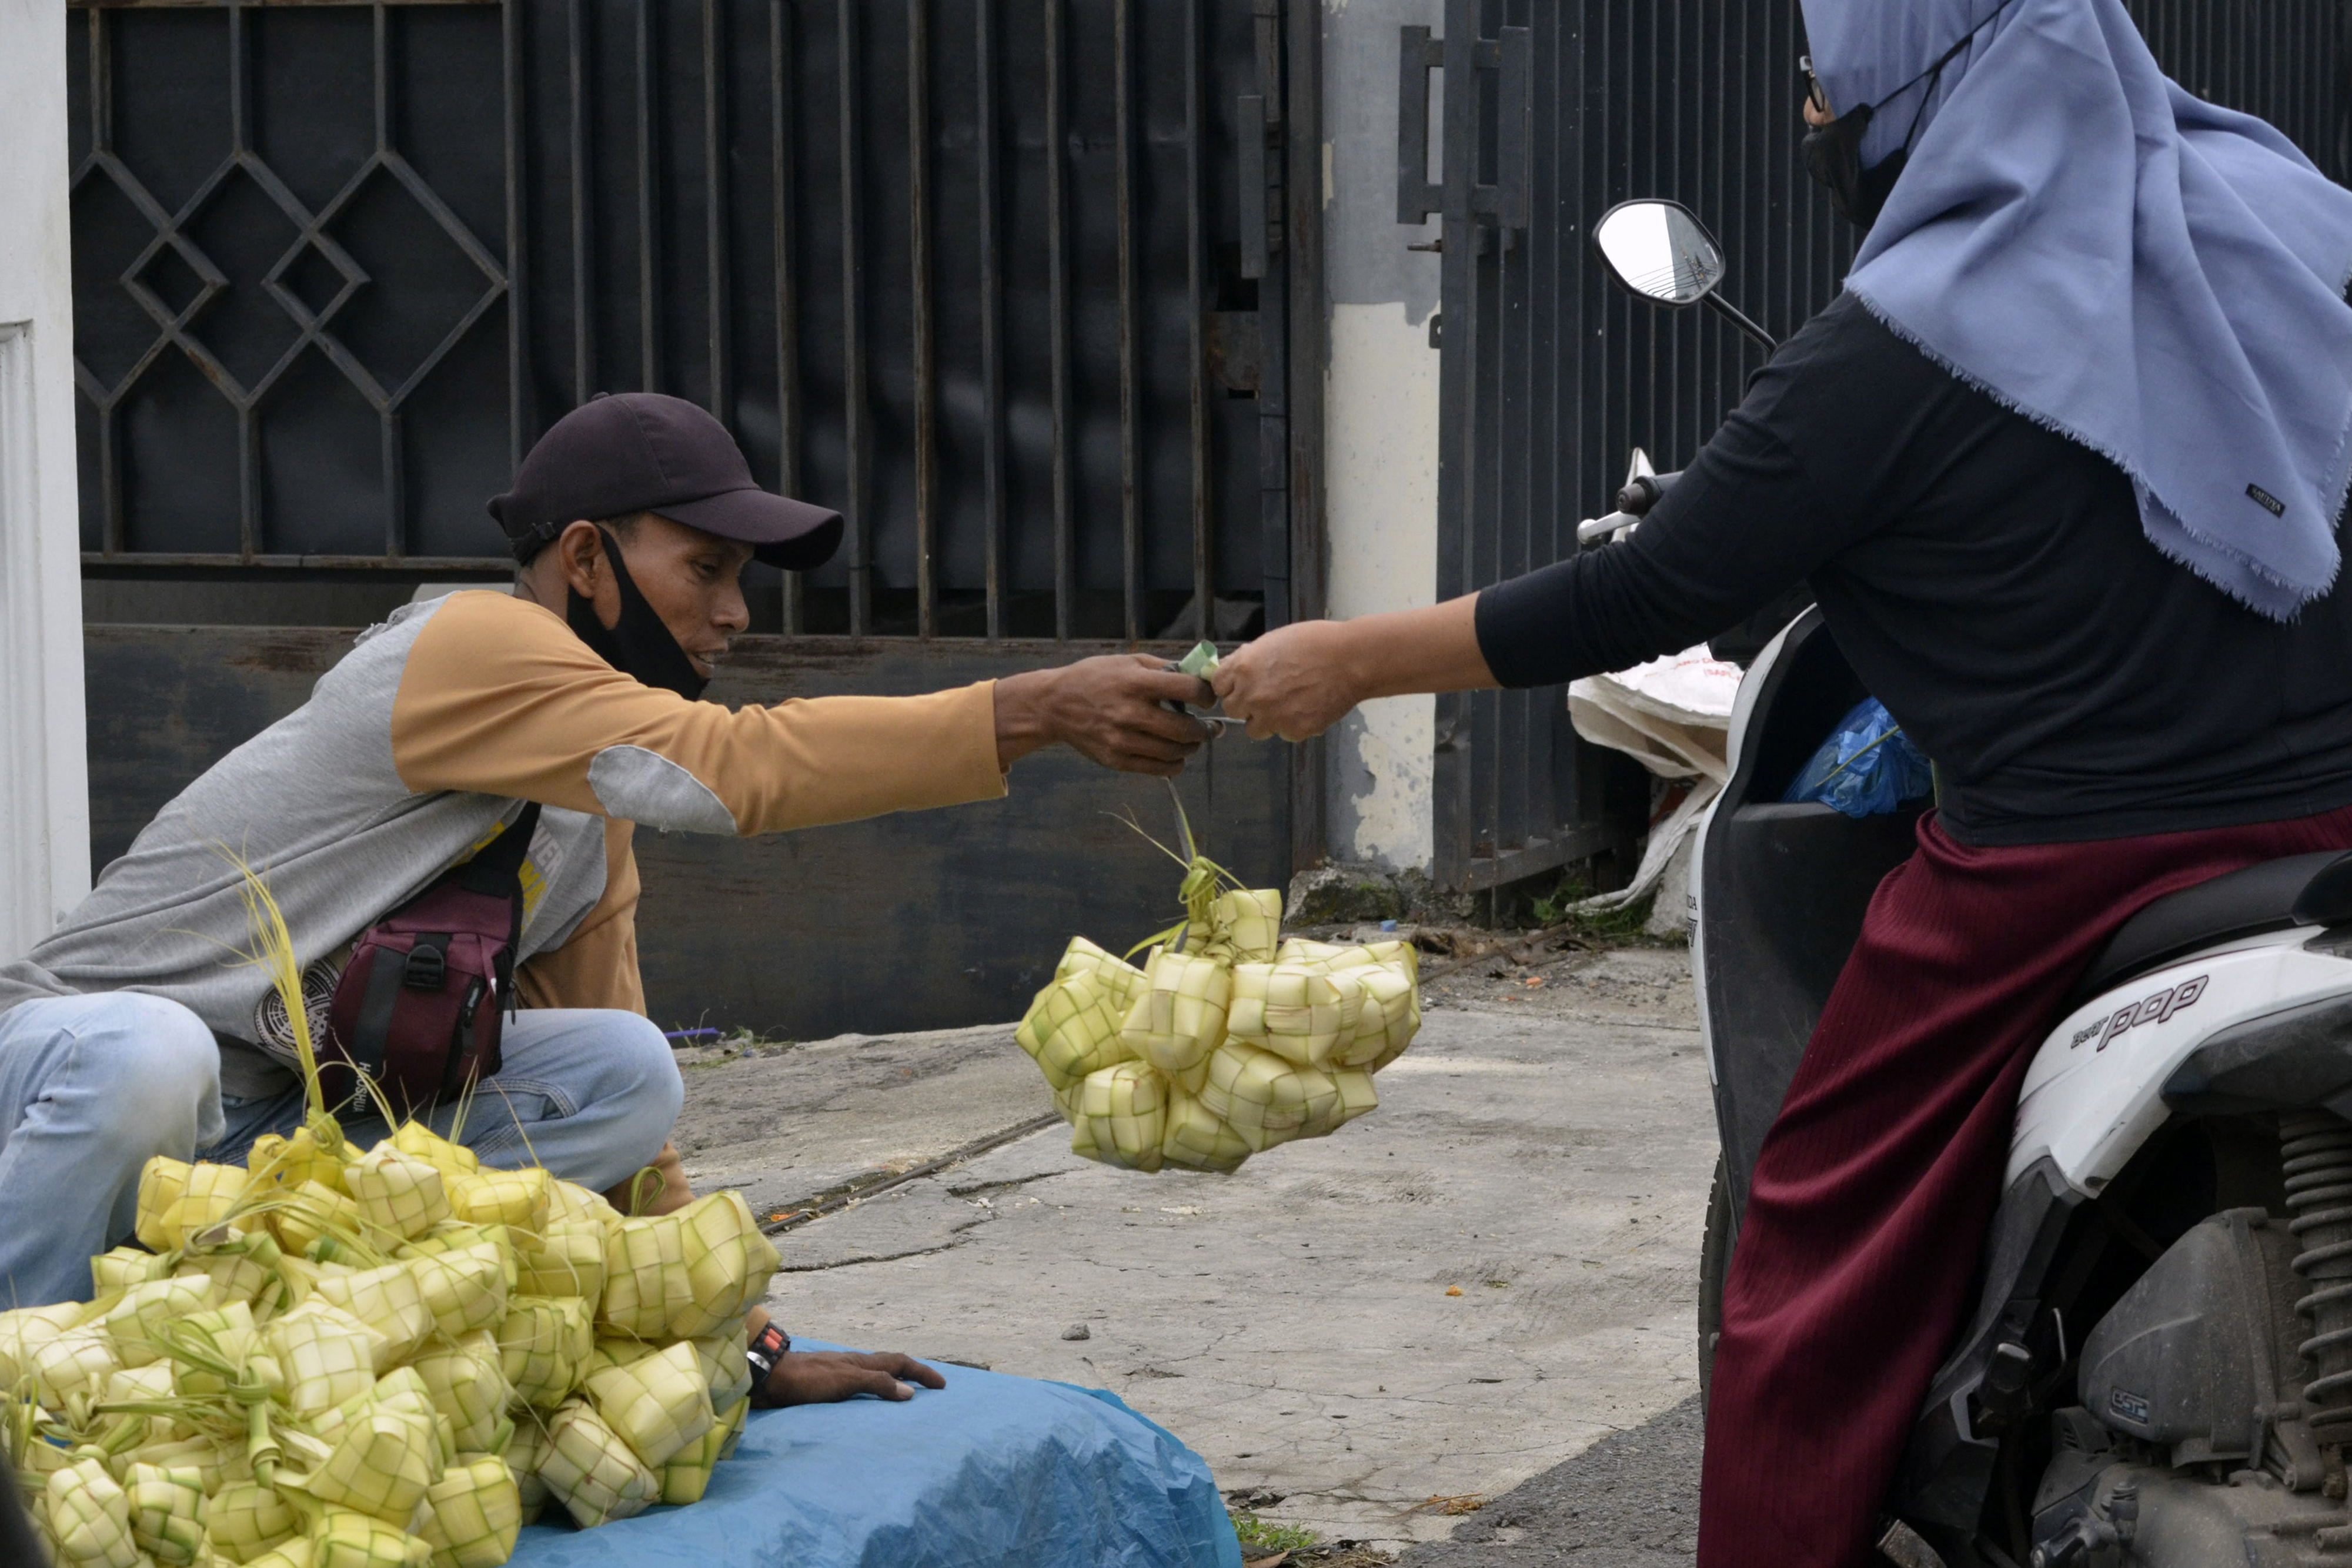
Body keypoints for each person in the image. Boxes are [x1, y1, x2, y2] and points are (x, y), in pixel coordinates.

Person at [1212, 0, 2352, 1562]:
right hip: (2329, 833)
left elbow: (1637, 597)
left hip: (2063, 874)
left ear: (1914, 83)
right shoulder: (2294, 227)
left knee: (1815, 1231)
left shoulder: (1909, 346)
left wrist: (1345, 660)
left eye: (1822, 81)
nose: (1812, 113)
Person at [0, 392, 1211, 1409]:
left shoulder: (588, 809)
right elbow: (735, 764)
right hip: (65, 1084)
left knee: (627, 1068)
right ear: (583, 558)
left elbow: (634, 1147)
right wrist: (1036, 706)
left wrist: (744, 1341)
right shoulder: (473, 640)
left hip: (247, 1155)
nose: (735, 612)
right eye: (707, 569)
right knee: (148, 1047)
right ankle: (27, 1376)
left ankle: (246, 1343)